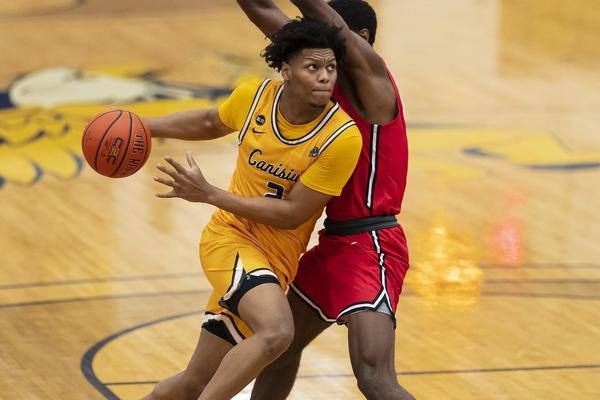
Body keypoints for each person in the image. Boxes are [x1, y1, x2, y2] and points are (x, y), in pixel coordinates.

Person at [142, 17, 362, 400]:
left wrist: (209, 193)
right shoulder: (254, 96)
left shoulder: (342, 137)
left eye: (330, 67)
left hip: (276, 262)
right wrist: (145, 125)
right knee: (277, 331)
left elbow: (293, 214)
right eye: (313, 67)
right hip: (230, 240)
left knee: (193, 383)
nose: (325, 76)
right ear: (286, 70)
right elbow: (210, 121)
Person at [236, 1, 414, 399]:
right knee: (278, 349)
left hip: (372, 245)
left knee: (373, 376)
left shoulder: (376, 86)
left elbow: (327, 23)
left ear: (360, 39)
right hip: (334, 244)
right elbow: (263, 11)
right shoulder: (321, 80)